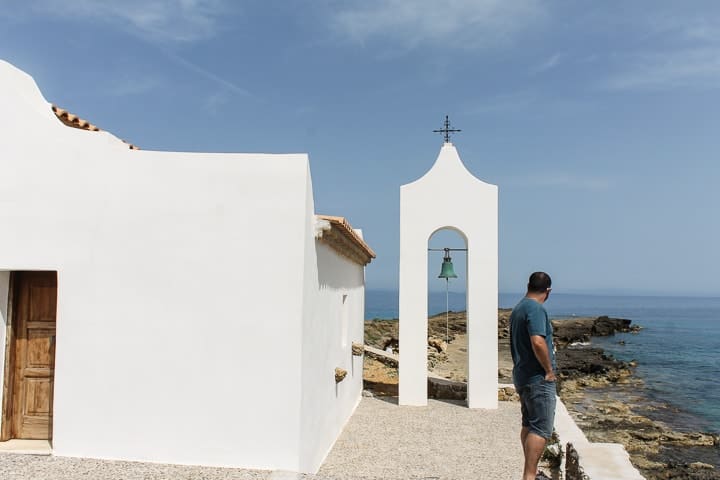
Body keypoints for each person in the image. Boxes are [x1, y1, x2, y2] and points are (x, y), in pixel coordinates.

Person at [510, 272, 557, 480]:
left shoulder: (519, 308)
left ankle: (532, 472)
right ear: (548, 291)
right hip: (538, 379)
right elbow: (538, 342)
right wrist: (548, 370)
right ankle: (530, 475)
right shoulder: (536, 309)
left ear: (528, 285)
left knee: (529, 425)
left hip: (522, 376)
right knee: (541, 429)